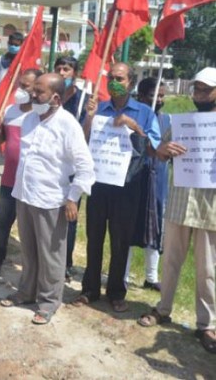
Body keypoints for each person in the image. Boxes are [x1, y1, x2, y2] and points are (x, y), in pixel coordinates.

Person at [0, 73, 95, 324]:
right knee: (28, 250)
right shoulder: (30, 118)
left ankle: (49, 301)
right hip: (25, 195)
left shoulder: (68, 124)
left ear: (54, 97)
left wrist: (73, 197)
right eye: (33, 90)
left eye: (38, 92)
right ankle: (26, 291)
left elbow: (85, 166)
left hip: (51, 200)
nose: (33, 95)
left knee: (51, 254)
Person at [137, 67, 216, 355]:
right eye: (197, 89)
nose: (199, 95)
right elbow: (157, 151)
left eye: (205, 90)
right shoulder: (182, 123)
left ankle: (206, 324)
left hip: (210, 209)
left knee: (207, 270)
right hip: (180, 203)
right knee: (171, 260)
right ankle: (163, 308)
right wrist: (164, 149)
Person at [73, 62, 161, 313]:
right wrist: (89, 118)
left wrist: (133, 126)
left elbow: (153, 147)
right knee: (94, 237)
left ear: (131, 83)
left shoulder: (145, 112)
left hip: (128, 185)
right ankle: (89, 289)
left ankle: (115, 292)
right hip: (100, 183)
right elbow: (83, 141)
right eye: (111, 77)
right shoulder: (99, 108)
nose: (114, 82)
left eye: (120, 78)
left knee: (120, 241)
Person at [0, 68, 41, 277]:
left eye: (25, 86)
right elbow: (1, 141)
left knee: (32, 227)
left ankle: (33, 266)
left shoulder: (40, 113)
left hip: (33, 180)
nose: (20, 89)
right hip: (10, 178)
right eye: (20, 84)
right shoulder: (10, 110)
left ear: (36, 88)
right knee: (3, 221)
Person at [124, 78, 170, 291]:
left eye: (162, 96)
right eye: (154, 95)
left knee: (156, 226)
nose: (159, 100)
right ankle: (122, 274)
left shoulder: (169, 120)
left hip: (158, 180)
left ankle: (151, 277)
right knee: (129, 224)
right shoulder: (135, 116)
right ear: (141, 96)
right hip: (135, 178)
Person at [54, 56, 85, 281]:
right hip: (52, 165)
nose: (63, 72)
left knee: (70, 215)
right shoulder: (50, 97)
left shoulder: (84, 99)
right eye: (59, 68)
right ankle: (50, 259)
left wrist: (90, 115)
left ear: (75, 72)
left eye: (67, 69)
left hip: (73, 166)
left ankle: (66, 263)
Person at [0, 32, 25, 182]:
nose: (14, 46)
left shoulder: (23, 62)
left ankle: (14, 167)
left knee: (13, 138)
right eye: (12, 43)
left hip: (16, 105)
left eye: (17, 44)